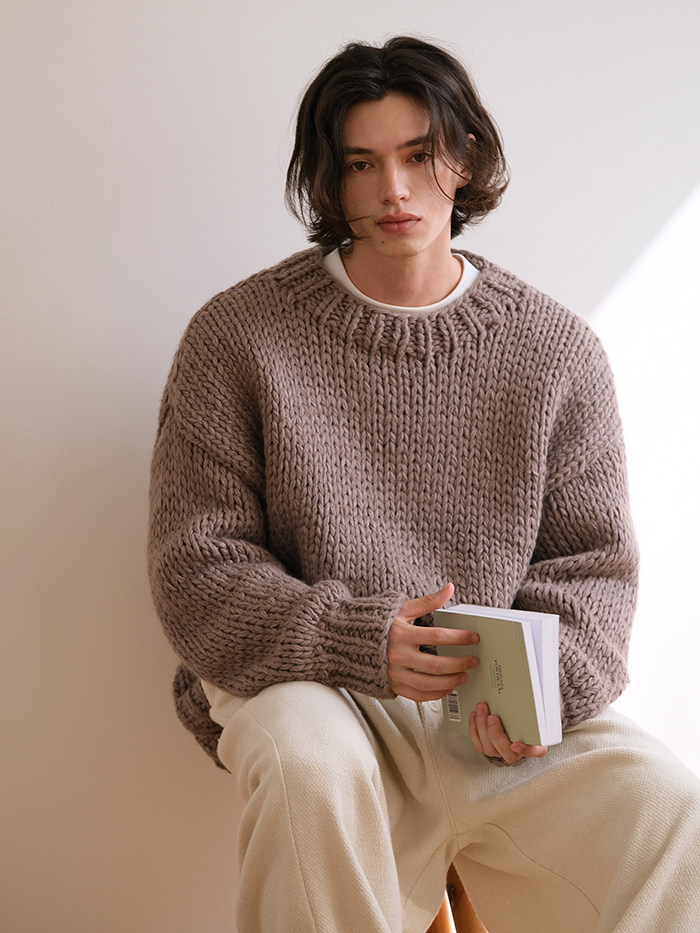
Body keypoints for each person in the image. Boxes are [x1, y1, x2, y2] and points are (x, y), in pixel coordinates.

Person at [148, 36, 700, 933]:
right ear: (330, 179)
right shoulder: (237, 336)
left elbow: (594, 569)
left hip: (488, 718)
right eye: (360, 164)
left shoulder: (556, 352)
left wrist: (540, 694)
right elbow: (197, 570)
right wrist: (357, 639)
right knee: (309, 768)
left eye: (417, 156)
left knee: (672, 810)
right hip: (309, 685)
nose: (393, 191)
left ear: (466, 159)